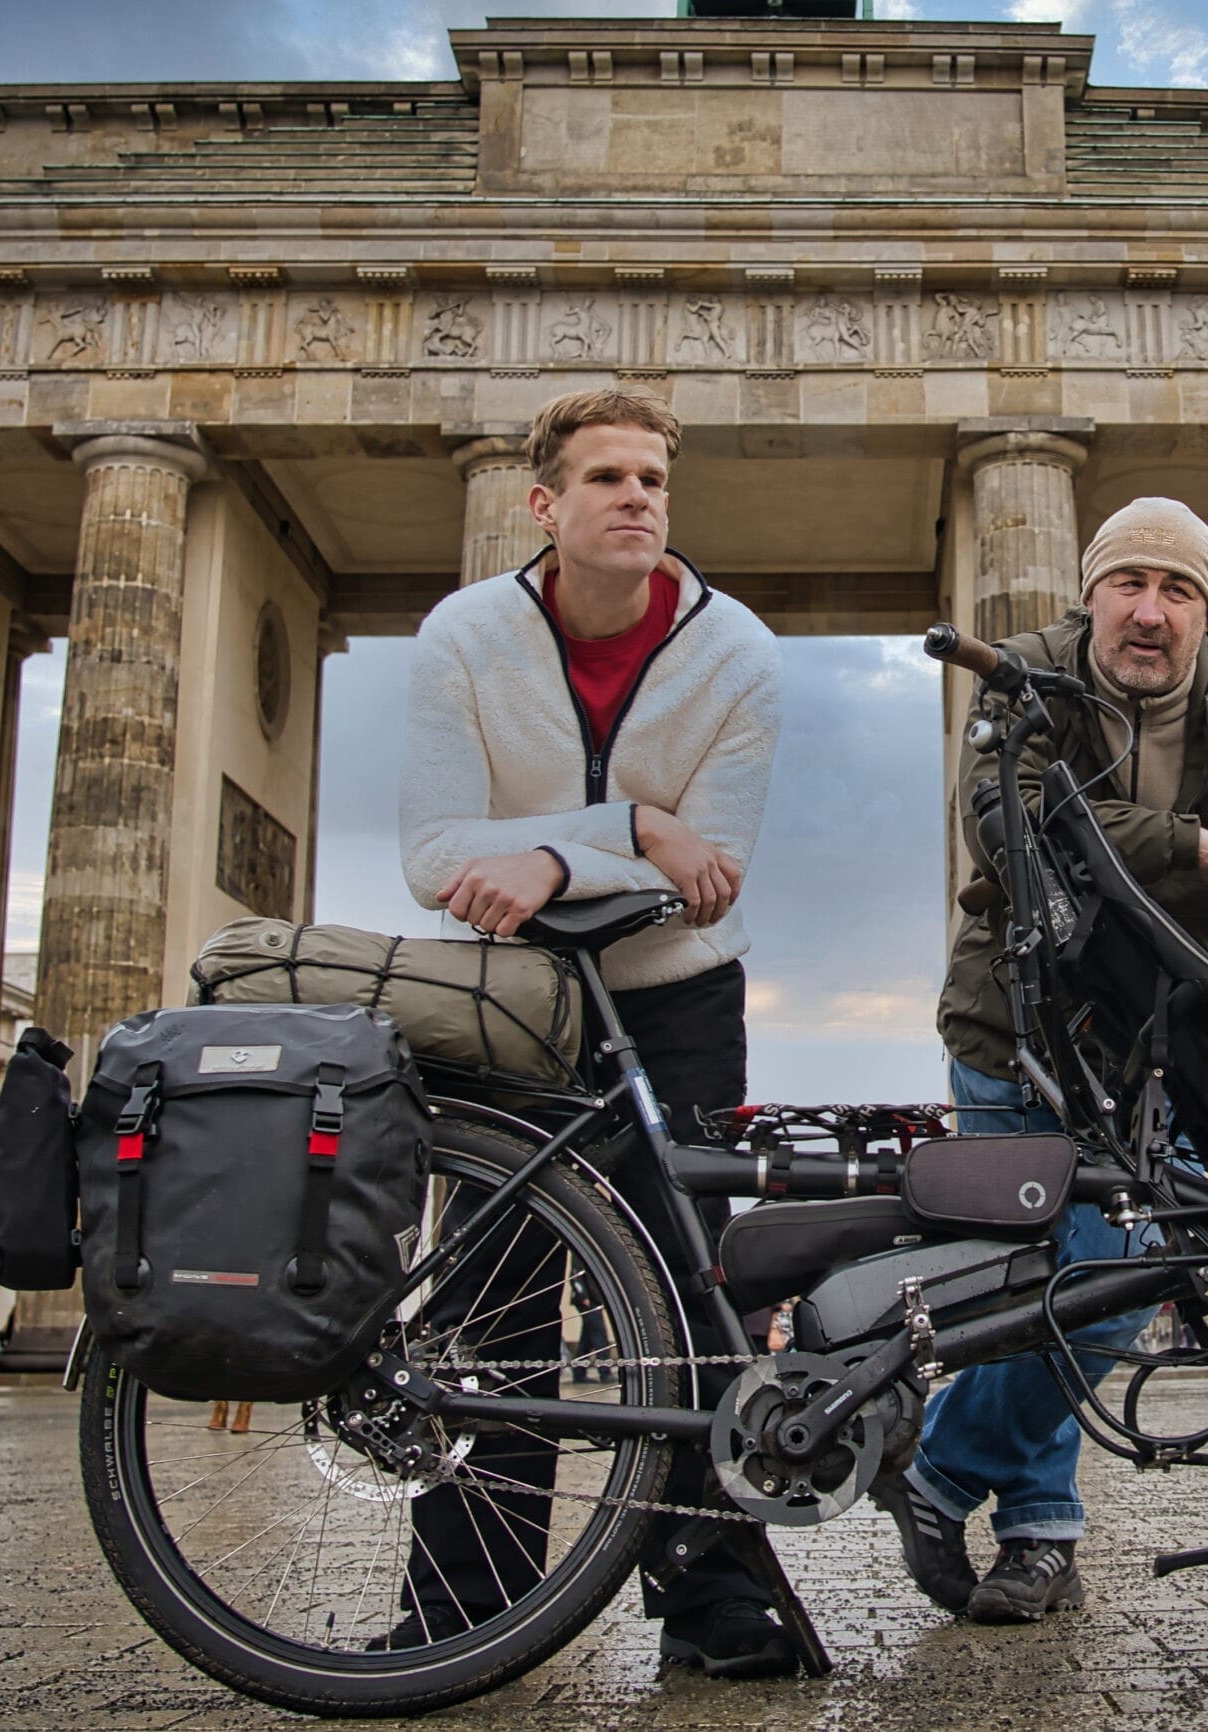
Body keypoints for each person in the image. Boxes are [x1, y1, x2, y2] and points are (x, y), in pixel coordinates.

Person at [873, 497, 1208, 1624]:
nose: (1149, 613)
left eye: (1178, 590)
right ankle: (1042, 1531)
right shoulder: (1023, 677)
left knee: (1108, 1282)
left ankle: (940, 1470)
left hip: (1150, 1049)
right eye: (1129, 585)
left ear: (1207, 611)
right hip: (1014, 1035)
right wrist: (1194, 846)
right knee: (1041, 1284)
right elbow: (1010, 827)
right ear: (1091, 594)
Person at [398, 386, 792, 1679]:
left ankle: (712, 1598)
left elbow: (711, 875)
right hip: (513, 997)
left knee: (690, 1294)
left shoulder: (740, 653)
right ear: (544, 503)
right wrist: (631, 827)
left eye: (653, 480)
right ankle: (466, 1605)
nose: (637, 499)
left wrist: (561, 862)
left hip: (680, 996)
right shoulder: (464, 636)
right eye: (608, 477)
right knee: (491, 1296)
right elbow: (433, 855)